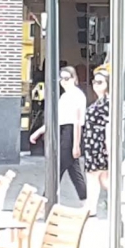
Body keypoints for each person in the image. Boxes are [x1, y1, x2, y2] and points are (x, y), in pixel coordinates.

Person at [30, 63, 88, 203]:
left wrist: (76, 144)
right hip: (64, 131)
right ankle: (86, 199)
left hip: (71, 132)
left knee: (58, 167)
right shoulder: (65, 96)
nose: (64, 81)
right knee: (73, 170)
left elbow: (77, 121)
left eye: (67, 78)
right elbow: (58, 119)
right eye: (61, 78)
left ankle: (45, 199)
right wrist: (38, 132)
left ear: (74, 78)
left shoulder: (77, 95)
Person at [81, 65, 112, 212]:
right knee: (102, 178)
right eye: (94, 82)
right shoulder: (99, 102)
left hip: (98, 144)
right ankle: (118, 201)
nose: (96, 85)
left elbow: (108, 127)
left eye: (100, 82)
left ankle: (91, 208)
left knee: (94, 177)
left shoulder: (107, 103)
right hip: (92, 143)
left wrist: (108, 148)